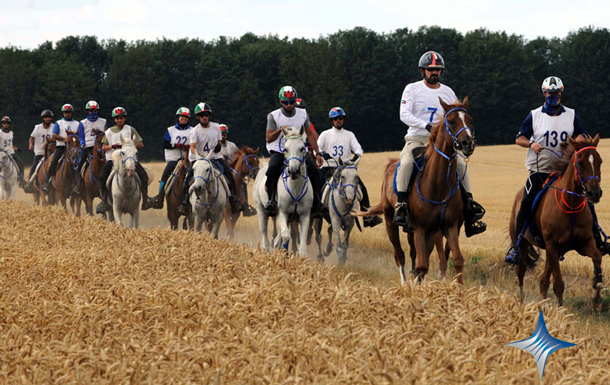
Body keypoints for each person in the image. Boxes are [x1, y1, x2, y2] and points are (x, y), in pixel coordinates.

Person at [505, 76, 608, 263]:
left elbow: (582, 135)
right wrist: (531, 143)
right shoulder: (535, 115)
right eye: (550, 93)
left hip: (564, 172)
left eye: (556, 93)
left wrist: (582, 142)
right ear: (544, 93)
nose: (553, 97)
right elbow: (519, 138)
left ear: (561, 93)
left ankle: (598, 240)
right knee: (526, 200)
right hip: (540, 171)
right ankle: (517, 245)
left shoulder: (571, 115)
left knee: (587, 201)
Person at [394, 51, 486, 237]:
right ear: (423, 71)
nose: (434, 73)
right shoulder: (411, 89)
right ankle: (402, 205)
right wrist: (425, 126)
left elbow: (456, 116)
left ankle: (469, 205)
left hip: (441, 142)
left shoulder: (448, 92)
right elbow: (404, 114)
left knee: (460, 165)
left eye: (437, 70)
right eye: (430, 70)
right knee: (406, 164)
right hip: (417, 138)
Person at [264, 86, 328, 217]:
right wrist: (280, 130)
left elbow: (310, 134)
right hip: (280, 150)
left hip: (298, 152)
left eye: (291, 102)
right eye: (285, 102)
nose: (289, 105)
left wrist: (318, 153)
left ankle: (317, 203)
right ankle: (271, 200)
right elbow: (269, 138)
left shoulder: (303, 114)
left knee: (315, 172)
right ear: (281, 102)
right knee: (272, 169)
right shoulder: (273, 116)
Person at [317, 107, 382, 227]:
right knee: (317, 185)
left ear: (344, 120)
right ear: (331, 121)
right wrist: (322, 153)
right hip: (328, 167)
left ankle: (368, 218)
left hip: (346, 168)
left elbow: (358, 149)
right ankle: (317, 210)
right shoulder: (325, 134)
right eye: (335, 119)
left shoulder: (349, 135)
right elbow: (318, 147)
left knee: (362, 189)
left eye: (340, 119)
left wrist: (355, 157)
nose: (338, 121)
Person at [183, 102, 244, 213]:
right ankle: (184, 203)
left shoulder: (216, 127)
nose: (205, 117)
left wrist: (218, 147)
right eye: (202, 115)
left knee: (229, 175)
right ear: (198, 117)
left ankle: (233, 200)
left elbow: (219, 142)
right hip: (199, 159)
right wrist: (199, 156)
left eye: (206, 114)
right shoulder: (194, 131)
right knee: (188, 178)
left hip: (215, 157)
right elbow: (192, 147)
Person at [95, 107, 153, 213]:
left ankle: (145, 199)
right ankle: (104, 201)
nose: (119, 120)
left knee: (144, 176)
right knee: (102, 177)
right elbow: (104, 147)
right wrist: (113, 146)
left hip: (129, 159)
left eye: (121, 118)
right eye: (117, 118)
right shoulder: (108, 132)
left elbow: (140, 144)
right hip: (112, 159)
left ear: (124, 118)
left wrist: (128, 145)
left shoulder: (130, 129)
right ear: (114, 119)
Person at [150, 107, 193, 209]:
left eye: (186, 117)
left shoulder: (192, 130)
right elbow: (165, 144)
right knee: (165, 174)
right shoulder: (170, 130)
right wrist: (175, 145)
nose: (184, 119)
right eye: (182, 117)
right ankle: (160, 197)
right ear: (178, 118)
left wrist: (188, 147)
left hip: (187, 159)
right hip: (174, 159)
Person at [41, 104, 85, 193]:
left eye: (69, 112)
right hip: (61, 146)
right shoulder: (59, 123)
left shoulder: (77, 123)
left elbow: (80, 135)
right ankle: (48, 182)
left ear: (71, 113)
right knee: (53, 162)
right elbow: (54, 135)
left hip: (74, 147)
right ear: (63, 113)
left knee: (81, 163)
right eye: (65, 112)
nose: (67, 114)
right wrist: (64, 139)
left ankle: (79, 185)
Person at [73, 100, 108, 195]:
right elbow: (81, 136)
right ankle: (78, 185)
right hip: (87, 147)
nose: (93, 112)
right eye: (91, 110)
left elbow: (107, 134)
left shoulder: (103, 121)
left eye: (95, 110)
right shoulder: (83, 123)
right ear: (87, 111)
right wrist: (83, 144)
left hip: (101, 147)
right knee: (79, 165)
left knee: (110, 163)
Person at [27, 110, 55, 190]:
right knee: (35, 166)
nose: (48, 119)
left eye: (49, 117)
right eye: (46, 117)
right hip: (40, 152)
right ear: (43, 118)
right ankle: (30, 183)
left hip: (51, 153)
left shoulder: (54, 127)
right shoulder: (37, 127)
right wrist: (31, 144)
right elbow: (31, 137)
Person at [0, 116, 27, 189]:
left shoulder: (11, 133)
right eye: (4, 123)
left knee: (21, 164)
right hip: (2, 153)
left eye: (7, 123)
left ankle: (21, 181)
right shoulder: (0, 133)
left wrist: (17, 149)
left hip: (11, 153)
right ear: (2, 124)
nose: (6, 125)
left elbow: (10, 144)